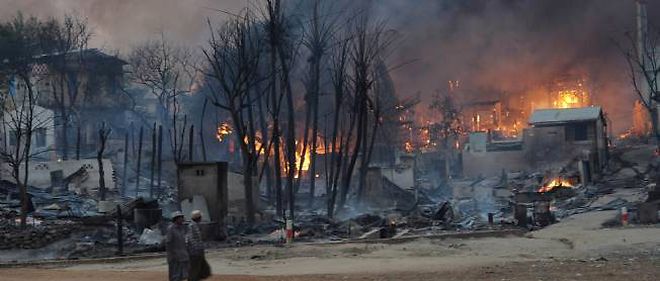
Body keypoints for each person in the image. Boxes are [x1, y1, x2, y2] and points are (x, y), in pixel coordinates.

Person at [166, 211, 189, 281]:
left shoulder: (182, 228)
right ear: (176, 219)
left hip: (183, 255)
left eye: (182, 218)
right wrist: (172, 255)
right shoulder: (171, 229)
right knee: (175, 275)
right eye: (180, 218)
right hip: (175, 257)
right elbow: (168, 243)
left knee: (183, 275)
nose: (182, 219)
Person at [188, 210, 211, 280]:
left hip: (198, 251)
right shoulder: (192, 226)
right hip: (195, 252)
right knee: (195, 270)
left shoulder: (196, 225)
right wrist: (197, 249)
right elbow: (191, 239)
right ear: (198, 218)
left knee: (203, 270)